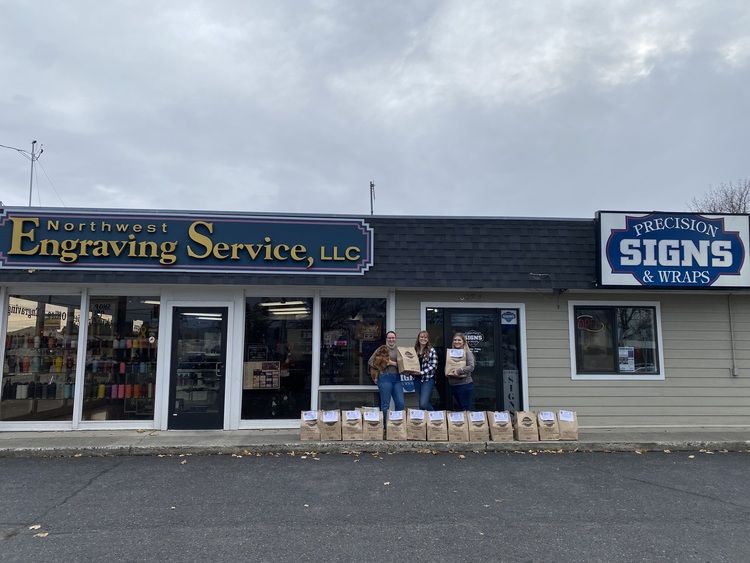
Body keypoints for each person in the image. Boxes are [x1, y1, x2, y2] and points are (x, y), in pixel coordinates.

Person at [367, 330, 404, 418]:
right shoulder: (381, 349)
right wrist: (381, 364)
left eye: (393, 338)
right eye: (389, 338)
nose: (391, 339)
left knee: (400, 403)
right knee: (385, 404)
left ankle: (397, 423)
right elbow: (370, 362)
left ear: (395, 339)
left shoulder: (399, 350)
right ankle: (384, 424)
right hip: (384, 378)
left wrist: (391, 363)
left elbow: (404, 365)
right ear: (386, 339)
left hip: (397, 379)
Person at [446, 332, 475, 411]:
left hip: (464, 385)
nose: (457, 342)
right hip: (453, 385)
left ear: (463, 342)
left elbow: (471, 367)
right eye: (455, 340)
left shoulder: (467, 353)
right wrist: (448, 372)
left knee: (466, 409)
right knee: (460, 409)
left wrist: (459, 371)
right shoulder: (451, 353)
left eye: (459, 340)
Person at [413, 330, 437, 411]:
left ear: (428, 339)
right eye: (421, 337)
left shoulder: (431, 350)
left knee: (423, 404)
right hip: (416, 379)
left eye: (425, 337)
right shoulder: (414, 350)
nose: (423, 339)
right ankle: (425, 419)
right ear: (418, 338)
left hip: (427, 379)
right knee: (421, 404)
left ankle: (435, 416)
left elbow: (433, 366)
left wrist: (421, 372)